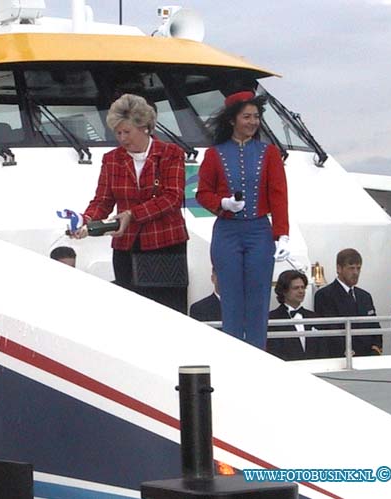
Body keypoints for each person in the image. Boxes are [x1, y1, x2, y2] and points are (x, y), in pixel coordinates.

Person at [73, 94, 188, 312]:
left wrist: (131, 214)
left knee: (168, 310)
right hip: (126, 246)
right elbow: (103, 199)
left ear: (145, 127)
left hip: (164, 244)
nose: (122, 138)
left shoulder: (171, 153)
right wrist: (85, 220)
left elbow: (172, 197)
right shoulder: (111, 159)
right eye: (118, 133)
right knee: (131, 310)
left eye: (127, 132)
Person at [195, 90, 289, 349]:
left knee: (259, 298)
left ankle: (258, 354)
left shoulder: (269, 153)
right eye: (246, 116)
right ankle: (234, 356)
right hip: (227, 230)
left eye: (256, 117)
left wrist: (282, 233)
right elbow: (202, 193)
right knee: (231, 299)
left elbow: (279, 194)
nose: (253, 122)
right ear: (232, 120)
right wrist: (223, 204)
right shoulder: (215, 154)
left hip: (259, 229)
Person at [313, 248, 382, 358]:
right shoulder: (324, 295)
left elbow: (375, 326)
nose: (355, 272)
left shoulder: (365, 296)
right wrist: (350, 353)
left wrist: (376, 349)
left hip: (368, 358)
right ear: (339, 268)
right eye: (351, 268)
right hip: (340, 359)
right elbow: (331, 330)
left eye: (358, 268)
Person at [267, 270, 318, 360]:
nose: (301, 291)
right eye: (296, 288)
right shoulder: (272, 319)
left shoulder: (313, 317)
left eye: (303, 287)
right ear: (284, 291)